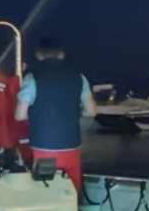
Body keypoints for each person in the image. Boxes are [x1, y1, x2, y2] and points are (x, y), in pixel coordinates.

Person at [14, 36, 96, 191]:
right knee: (71, 192)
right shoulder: (79, 77)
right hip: (72, 145)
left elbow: (19, 115)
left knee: (46, 191)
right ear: (62, 55)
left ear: (39, 55)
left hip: (43, 147)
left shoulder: (32, 78)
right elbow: (91, 111)